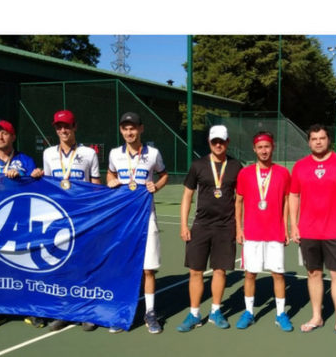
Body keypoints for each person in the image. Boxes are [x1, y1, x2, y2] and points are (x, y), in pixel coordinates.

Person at [288, 124, 336, 342]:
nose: (318, 142)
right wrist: (293, 225)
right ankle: (316, 317)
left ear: (328, 140)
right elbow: (293, 196)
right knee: (314, 274)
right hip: (309, 230)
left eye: (322, 138)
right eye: (314, 139)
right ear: (309, 142)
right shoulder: (300, 166)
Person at [0, 119, 43, 330]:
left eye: (4, 133)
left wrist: (31, 177)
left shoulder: (25, 161)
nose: (0, 137)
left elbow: (35, 189)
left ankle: (30, 308)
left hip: (20, 221)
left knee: (24, 264)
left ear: (13, 137)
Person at [106, 112, 168, 334]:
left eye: (133, 128)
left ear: (141, 129)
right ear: (121, 130)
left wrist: (156, 186)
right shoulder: (115, 154)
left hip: (146, 217)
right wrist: (110, 180)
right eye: (125, 128)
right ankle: (122, 312)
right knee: (124, 267)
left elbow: (164, 174)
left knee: (148, 269)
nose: (129, 132)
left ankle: (150, 313)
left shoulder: (153, 153)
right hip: (123, 219)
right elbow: (110, 174)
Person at [177, 125, 243, 332]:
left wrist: (239, 227)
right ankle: (194, 314)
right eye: (215, 141)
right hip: (201, 226)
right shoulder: (198, 165)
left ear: (227, 142)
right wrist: (183, 224)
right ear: (209, 142)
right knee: (195, 271)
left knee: (220, 270)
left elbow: (240, 200)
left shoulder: (236, 166)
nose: (218, 144)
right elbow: (187, 196)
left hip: (225, 226)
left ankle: (216, 311)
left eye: (221, 141)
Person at [41, 109, 102, 332]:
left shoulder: (89, 153)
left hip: (83, 219)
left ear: (74, 127)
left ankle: (87, 311)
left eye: (67, 126)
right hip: (59, 219)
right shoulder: (49, 154)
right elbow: (48, 186)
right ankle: (65, 310)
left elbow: (96, 187)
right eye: (59, 127)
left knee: (85, 264)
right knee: (63, 265)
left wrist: (94, 216)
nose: (63, 130)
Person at [233, 131, 293, 332]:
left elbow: (286, 201)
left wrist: (286, 228)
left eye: (267, 146)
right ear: (254, 149)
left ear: (272, 147)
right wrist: (239, 228)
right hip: (252, 233)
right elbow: (238, 202)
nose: (264, 150)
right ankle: (249, 312)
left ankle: (280, 314)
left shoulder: (283, 173)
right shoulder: (245, 173)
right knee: (250, 274)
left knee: (278, 274)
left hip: (275, 232)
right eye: (260, 147)